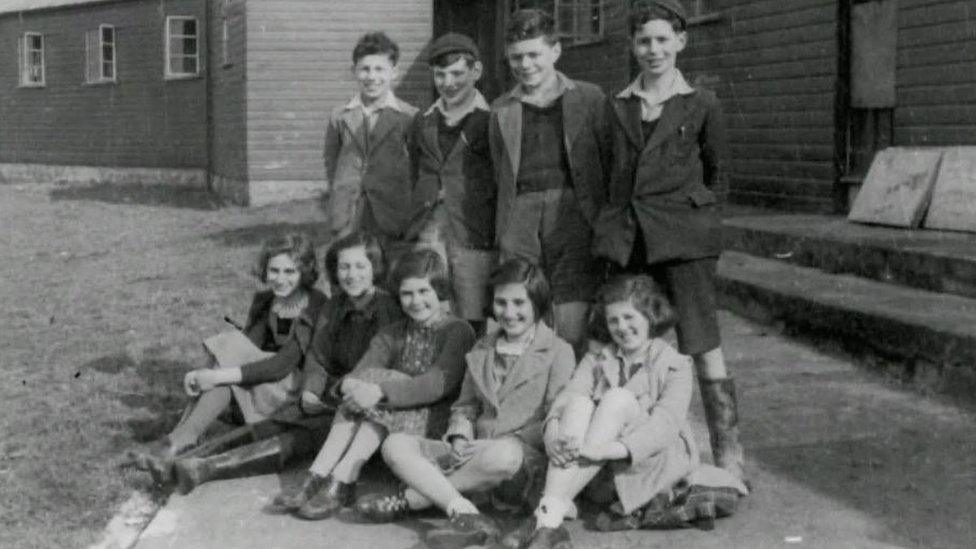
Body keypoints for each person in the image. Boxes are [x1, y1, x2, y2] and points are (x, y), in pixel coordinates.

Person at [593, 0, 745, 481]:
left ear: (681, 41)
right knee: (632, 344)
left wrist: (693, 223)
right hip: (631, 242)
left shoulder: (701, 102)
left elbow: (717, 175)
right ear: (632, 46)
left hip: (684, 241)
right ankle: (647, 458)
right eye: (643, 41)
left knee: (702, 342)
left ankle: (728, 458)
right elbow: (606, 172)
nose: (653, 49)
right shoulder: (616, 104)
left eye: (662, 39)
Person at [354, 258, 575, 548]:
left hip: (519, 461)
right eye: (501, 303)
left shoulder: (558, 351)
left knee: (503, 454)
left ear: (538, 302)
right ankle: (466, 514)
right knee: (395, 444)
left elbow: (553, 417)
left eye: (519, 303)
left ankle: (414, 498)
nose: (509, 313)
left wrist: (495, 445)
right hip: (473, 454)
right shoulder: (484, 346)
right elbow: (466, 406)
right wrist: (460, 434)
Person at [166, 231, 402, 494]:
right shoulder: (335, 305)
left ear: (375, 268)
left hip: (364, 400)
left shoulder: (386, 309)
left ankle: (207, 469)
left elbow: (378, 363)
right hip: (329, 394)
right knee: (276, 423)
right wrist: (312, 389)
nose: (351, 274)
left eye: (360, 266)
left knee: (299, 436)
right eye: (344, 267)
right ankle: (185, 455)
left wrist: (337, 391)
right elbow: (317, 355)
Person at [270, 249, 475, 520]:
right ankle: (319, 475)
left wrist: (378, 390)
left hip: (433, 421)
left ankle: (344, 476)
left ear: (439, 290)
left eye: (424, 292)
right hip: (392, 415)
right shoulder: (395, 331)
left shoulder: (457, 331)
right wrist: (352, 387)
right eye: (407, 294)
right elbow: (359, 373)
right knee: (366, 382)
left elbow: (436, 384)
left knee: (385, 381)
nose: (416, 302)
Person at [500, 275, 698, 549]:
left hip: (642, 466)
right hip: (597, 473)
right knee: (578, 403)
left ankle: (544, 516)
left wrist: (606, 450)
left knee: (616, 398)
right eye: (613, 321)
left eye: (630, 318)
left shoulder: (676, 364)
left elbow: (665, 426)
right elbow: (569, 394)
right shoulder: (598, 358)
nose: (622, 328)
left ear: (650, 316)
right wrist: (552, 428)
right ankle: (551, 519)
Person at [128, 233, 328, 489]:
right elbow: (248, 346)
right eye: (274, 270)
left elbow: (283, 365)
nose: (280, 279)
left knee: (227, 355)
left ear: (305, 271)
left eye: (290, 271)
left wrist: (215, 375)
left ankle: (178, 440)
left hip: (297, 390)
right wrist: (205, 373)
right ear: (264, 270)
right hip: (269, 384)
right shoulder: (266, 301)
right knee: (229, 354)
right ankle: (176, 442)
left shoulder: (315, 303)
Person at [489, 9, 610, 353]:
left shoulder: (589, 98)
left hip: (572, 208)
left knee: (571, 306)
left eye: (533, 55)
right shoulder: (501, 108)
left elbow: (605, 160)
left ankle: (572, 386)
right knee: (520, 298)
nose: (525, 64)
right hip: (520, 212)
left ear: (555, 51)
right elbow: (501, 168)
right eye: (516, 57)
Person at [409, 32, 496, 335]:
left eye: (457, 73)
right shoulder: (423, 121)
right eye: (440, 74)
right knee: (427, 305)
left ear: (476, 72)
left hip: (472, 231)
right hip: (430, 228)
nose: (448, 82)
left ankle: (465, 377)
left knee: (470, 313)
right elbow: (414, 172)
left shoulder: (491, 120)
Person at [324, 31, 418, 266]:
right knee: (348, 276)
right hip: (349, 215)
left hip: (391, 215)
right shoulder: (340, 116)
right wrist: (340, 202)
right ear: (354, 70)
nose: (372, 77)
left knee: (389, 278)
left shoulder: (409, 117)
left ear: (393, 72)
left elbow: (416, 169)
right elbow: (332, 164)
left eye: (379, 69)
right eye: (365, 69)